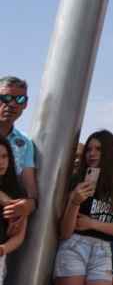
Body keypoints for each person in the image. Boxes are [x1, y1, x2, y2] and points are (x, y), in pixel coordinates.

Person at [54, 130, 113, 285]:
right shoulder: (75, 181)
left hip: (103, 250)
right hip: (74, 245)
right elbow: (65, 232)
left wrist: (91, 223)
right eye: (89, 149)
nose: (92, 153)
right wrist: (75, 201)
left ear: (109, 153)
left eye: (98, 149)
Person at [0, 76, 37, 233]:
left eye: (20, 99)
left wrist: (27, 206)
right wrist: (6, 201)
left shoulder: (25, 143)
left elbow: (31, 190)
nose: (12, 104)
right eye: (6, 97)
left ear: (26, 104)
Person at [0, 135, 27, 283]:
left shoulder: (17, 193)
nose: (1, 162)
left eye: (4, 156)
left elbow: (19, 236)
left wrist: (2, 249)